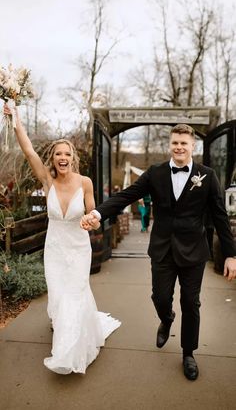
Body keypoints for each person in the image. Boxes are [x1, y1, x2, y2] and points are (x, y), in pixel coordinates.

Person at [80, 123, 236, 381]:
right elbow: (126, 196)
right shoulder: (156, 173)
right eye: (175, 142)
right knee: (160, 297)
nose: (179, 147)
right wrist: (97, 213)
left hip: (194, 251)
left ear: (192, 146)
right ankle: (167, 317)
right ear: (170, 144)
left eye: (184, 143)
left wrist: (231, 254)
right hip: (162, 249)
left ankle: (188, 353)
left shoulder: (207, 175)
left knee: (191, 302)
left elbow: (220, 216)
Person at [3, 104, 121, 375]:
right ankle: (65, 327)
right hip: (55, 248)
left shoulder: (86, 182)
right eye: (58, 154)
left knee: (75, 293)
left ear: (73, 158)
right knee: (58, 295)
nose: (62, 157)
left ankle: (68, 351)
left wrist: (91, 219)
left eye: (67, 153)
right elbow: (29, 150)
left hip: (79, 248)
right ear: (53, 158)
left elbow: (94, 212)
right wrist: (15, 119)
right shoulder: (47, 181)